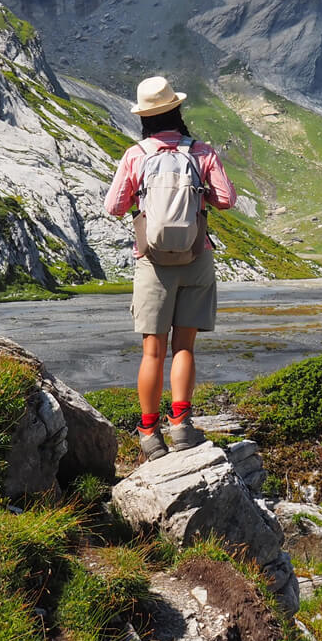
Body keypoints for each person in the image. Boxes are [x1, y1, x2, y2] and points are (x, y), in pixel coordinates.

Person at [104, 75, 236, 461]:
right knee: (185, 347)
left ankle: (149, 434)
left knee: (152, 352)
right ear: (176, 110)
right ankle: (181, 427)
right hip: (197, 257)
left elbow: (113, 206)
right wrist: (199, 195)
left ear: (144, 117)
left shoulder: (136, 154)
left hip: (152, 262)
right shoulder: (202, 152)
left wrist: (145, 203)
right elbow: (226, 200)